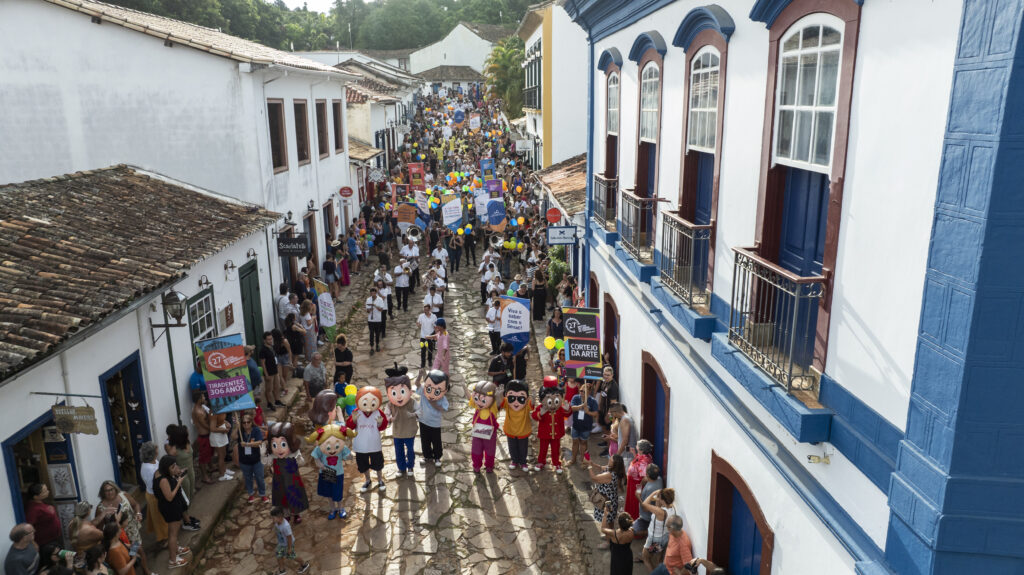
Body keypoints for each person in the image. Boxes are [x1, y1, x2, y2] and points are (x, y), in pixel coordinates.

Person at [95, 480, 152, 575]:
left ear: (115, 488)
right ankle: (132, 569)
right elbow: (100, 528)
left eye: (111, 489)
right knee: (124, 556)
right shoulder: (100, 508)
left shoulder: (123, 495)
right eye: (106, 491)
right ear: (102, 492)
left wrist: (138, 513)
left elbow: (135, 505)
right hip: (117, 536)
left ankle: (146, 572)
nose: (109, 492)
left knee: (138, 550)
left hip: (131, 531)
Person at [154, 455, 194, 569]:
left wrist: (177, 473)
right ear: (166, 467)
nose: (175, 468)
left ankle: (176, 549)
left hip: (170, 506)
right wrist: (178, 483)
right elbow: (170, 497)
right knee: (173, 535)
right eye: (172, 466)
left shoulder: (160, 473)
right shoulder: (163, 480)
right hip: (171, 508)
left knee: (173, 533)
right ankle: (173, 560)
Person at [138, 442, 168, 547]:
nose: (158, 451)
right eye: (156, 450)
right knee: (159, 519)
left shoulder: (153, 461)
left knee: (160, 517)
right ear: (152, 453)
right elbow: (154, 485)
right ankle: (163, 539)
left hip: (155, 493)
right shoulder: (148, 469)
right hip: (155, 495)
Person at [641, 488, 678, 569]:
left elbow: (644, 504)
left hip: (655, 539)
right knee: (659, 557)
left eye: (659, 497)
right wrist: (659, 501)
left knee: (646, 558)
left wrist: (653, 492)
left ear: (663, 500)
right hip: (664, 537)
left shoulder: (660, 512)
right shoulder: (672, 508)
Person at [237, 413, 268, 503]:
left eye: (248, 422)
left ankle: (263, 494)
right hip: (245, 461)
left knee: (260, 477)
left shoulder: (256, 430)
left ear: (251, 422)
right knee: (248, 478)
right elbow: (233, 437)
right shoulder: (240, 432)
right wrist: (237, 427)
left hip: (256, 459)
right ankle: (251, 494)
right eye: (244, 423)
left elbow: (259, 442)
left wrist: (247, 444)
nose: (246, 424)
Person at [270, 507, 310, 575]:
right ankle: (282, 570)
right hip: (281, 543)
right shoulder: (277, 522)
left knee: (292, 556)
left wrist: (290, 548)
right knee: (279, 555)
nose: (272, 519)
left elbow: (289, 538)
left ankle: (304, 564)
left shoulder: (285, 526)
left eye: (273, 518)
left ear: (279, 517)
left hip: (287, 544)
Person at [569, 379, 599, 465]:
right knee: (575, 443)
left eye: (584, 391)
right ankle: (573, 459)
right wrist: (581, 406)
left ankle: (583, 461)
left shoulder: (593, 401)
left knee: (583, 443)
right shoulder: (575, 397)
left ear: (588, 392)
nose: (581, 392)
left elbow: (596, 414)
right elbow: (572, 408)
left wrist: (588, 412)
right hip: (575, 425)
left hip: (586, 427)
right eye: (581, 390)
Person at [588, 455, 626, 521]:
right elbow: (601, 468)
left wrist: (589, 466)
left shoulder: (609, 475)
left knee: (605, 519)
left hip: (605, 500)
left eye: (611, 459)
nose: (609, 458)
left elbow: (594, 478)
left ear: (614, 463)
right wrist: (593, 464)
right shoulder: (615, 469)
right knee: (609, 518)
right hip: (612, 499)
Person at [631, 464, 664, 540]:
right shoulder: (659, 479)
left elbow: (645, 508)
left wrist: (638, 497)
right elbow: (643, 481)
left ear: (648, 475)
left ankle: (649, 531)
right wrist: (640, 487)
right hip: (646, 515)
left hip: (646, 517)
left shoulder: (651, 489)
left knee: (631, 531)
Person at [188, 393, 214, 485]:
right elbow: (205, 425)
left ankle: (211, 468)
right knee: (203, 458)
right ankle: (204, 477)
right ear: (199, 399)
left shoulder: (202, 407)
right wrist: (215, 429)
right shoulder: (197, 411)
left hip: (207, 435)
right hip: (203, 437)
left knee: (209, 454)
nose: (204, 398)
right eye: (203, 397)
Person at [626, 439, 654, 519]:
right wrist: (634, 453)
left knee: (634, 502)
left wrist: (638, 490)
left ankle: (633, 518)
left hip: (637, 485)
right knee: (631, 501)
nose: (636, 446)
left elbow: (644, 478)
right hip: (633, 483)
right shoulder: (642, 455)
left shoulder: (644, 462)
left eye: (637, 446)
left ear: (641, 449)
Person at [600, 508, 634, 575]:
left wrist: (605, 515)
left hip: (617, 558)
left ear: (619, 524)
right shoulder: (632, 531)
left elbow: (603, 529)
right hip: (628, 556)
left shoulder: (614, 534)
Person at [259, 332, 284, 410]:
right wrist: (266, 375)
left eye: (271, 339)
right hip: (269, 372)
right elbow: (262, 363)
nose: (270, 341)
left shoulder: (272, 347)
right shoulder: (263, 350)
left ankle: (277, 400)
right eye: (268, 339)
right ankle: (269, 403)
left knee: (276, 386)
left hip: (275, 370)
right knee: (269, 389)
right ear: (264, 340)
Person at [365, 286, 386, 355]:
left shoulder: (380, 299)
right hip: (370, 320)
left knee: (377, 333)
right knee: (371, 333)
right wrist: (370, 309)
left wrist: (375, 306)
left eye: (374, 293)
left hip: (377, 319)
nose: (373, 295)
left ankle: (377, 344)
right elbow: (367, 311)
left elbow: (381, 309)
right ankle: (371, 347)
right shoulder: (368, 300)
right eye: (371, 293)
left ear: (376, 293)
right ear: (370, 293)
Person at [416, 304, 438, 369]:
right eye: (424, 309)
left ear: (429, 309)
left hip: (430, 336)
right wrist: (418, 324)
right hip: (423, 336)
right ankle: (423, 363)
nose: (425, 311)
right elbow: (418, 323)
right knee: (423, 350)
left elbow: (435, 326)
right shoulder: (421, 316)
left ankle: (430, 361)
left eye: (427, 310)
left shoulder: (433, 316)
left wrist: (436, 335)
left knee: (430, 350)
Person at [299, 300, 317, 364]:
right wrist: (313, 318)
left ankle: (307, 358)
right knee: (310, 345)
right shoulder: (307, 314)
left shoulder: (301, 312)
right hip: (308, 331)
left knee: (306, 345)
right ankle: (310, 359)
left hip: (304, 329)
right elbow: (309, 323)